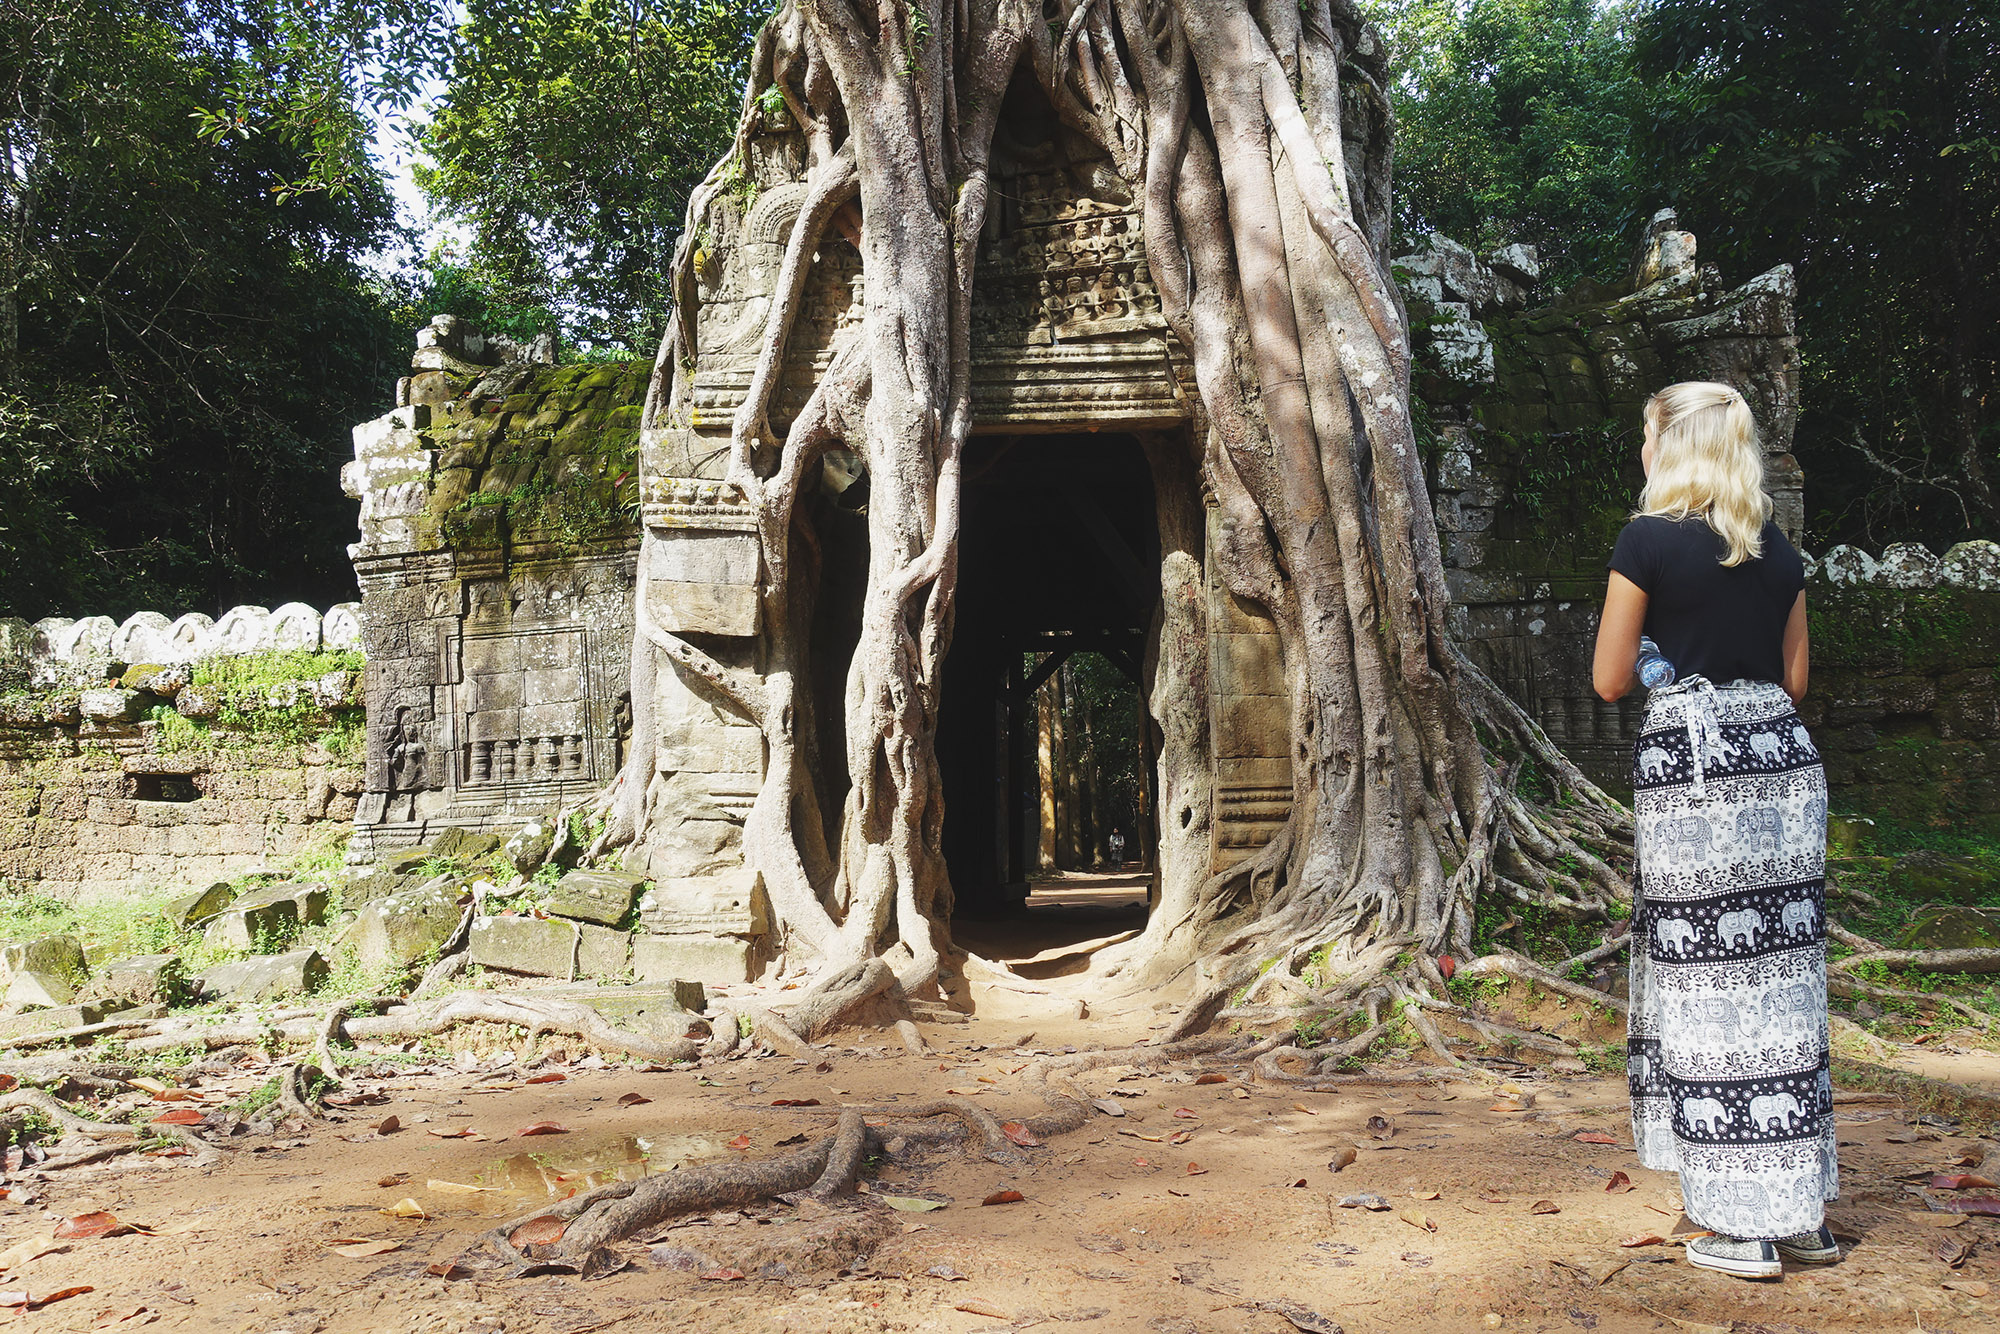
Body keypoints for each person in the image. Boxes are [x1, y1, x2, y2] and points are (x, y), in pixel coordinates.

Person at [1592, 381, 1837, 1281]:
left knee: (1707, 983)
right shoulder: (1779, 554)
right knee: (1780, 980)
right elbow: (1794, 681)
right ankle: (1799, 1210)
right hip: (1779, 766)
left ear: (1673, 447)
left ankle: (1741, 1222)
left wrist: (1664, 658)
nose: (1640, 452)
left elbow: (1610, 678)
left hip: (1698, 778)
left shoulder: (1646, 542)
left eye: (1647, 437)